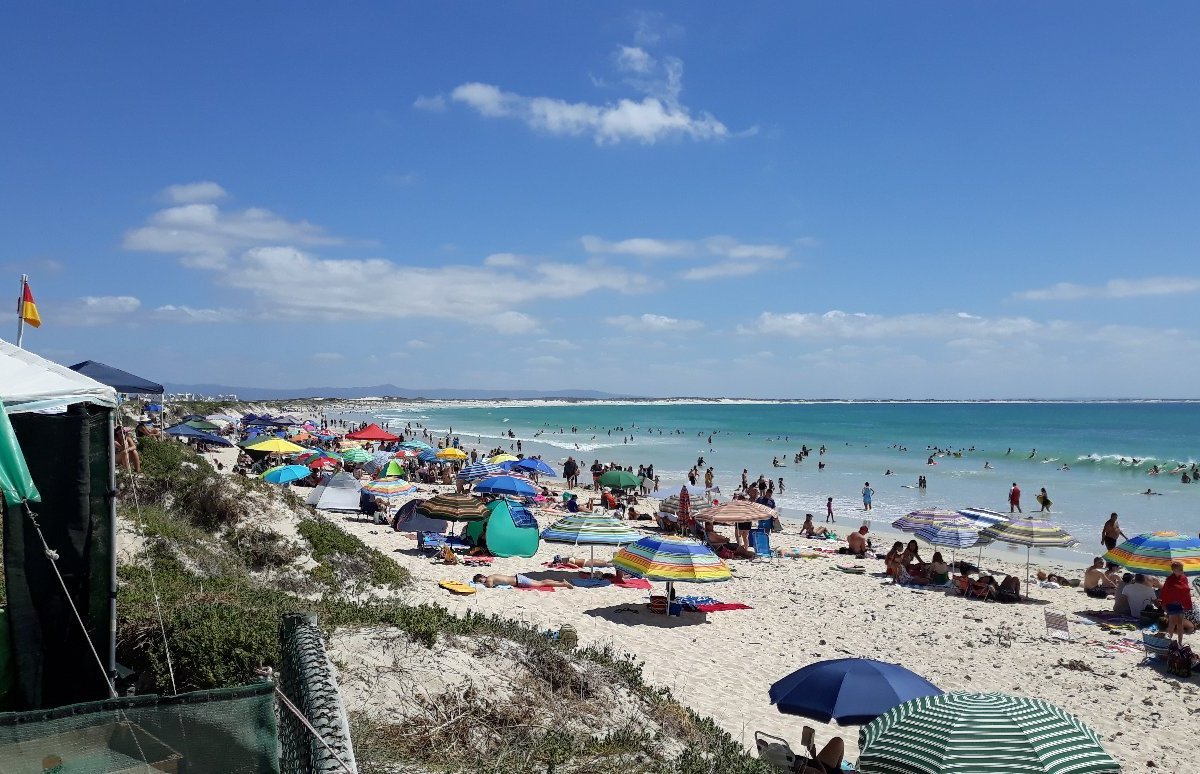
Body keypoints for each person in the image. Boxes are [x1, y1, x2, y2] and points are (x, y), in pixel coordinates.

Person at [1160, 561, 1194, 646]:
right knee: (1172, 623)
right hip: (1172, 604)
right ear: (1174, 570)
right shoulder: (1169, 579)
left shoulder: (1184, 578)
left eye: (1182, 569)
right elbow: (1165, 592)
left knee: (1180, 624)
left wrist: (1187, 603)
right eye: (1180, 569)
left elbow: (1186, 590)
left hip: (1181, 604)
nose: (1182, 571)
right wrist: (1163, 604)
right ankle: (1168, 642)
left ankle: (1180, 643)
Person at [472, 573, 574, 589]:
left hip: (519, 581)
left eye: (480, 580)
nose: (481, 582)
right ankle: (560, 582)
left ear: (482, 576)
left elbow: (489, 585)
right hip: (518, 578)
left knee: (541, 584)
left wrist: (482, 584)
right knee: (541, 581)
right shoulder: (491, 576)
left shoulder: (489, 579)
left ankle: (563, 584)